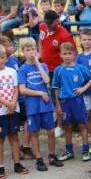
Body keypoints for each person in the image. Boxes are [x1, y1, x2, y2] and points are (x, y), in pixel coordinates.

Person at [0, 43, 29, 179]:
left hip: (13, 109)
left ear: (6, 57)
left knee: (14, 136)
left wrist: (13, 104)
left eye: (2, 57)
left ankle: (17, 163)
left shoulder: (12, 71)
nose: (0, 60)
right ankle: (0, 166)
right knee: (0, 138)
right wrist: (7, 104)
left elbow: (16, 89)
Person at [17, 39, 63, 171]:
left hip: (46, 105)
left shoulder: (43, 65)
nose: (31, 52)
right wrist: (40, 93)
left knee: (51, 131)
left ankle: (52, 155)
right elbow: (22, 89)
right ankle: (39, 159)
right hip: (33, 105)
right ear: (23, 52)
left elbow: (47, 80)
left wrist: (37, 63)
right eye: (28, 50)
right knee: (34, 132)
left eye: (33, 49)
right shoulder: (23, 69)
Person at [51, 42, 91, 162]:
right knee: (67, 126)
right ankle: (69, 151)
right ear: (60, 55)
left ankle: (86, 151)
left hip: (78, 101)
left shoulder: (80, 68)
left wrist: (83, 89)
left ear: (75, 54)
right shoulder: (58, 70)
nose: (67, 56)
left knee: (82, 125)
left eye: (70, 53)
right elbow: (56, 88)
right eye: (65, 54)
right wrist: (57, 105)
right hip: (64, 102)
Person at [40, 10, 73, 74]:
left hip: (58, 71)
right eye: (46, 23)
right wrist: (40, 54)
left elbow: (73, 54)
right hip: (44, 68)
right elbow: (40, 40)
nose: (47, 25)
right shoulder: (42, 26)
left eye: (50, 23)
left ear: (57, 21)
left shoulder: (65, 36)